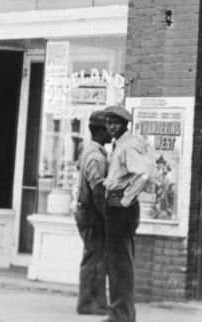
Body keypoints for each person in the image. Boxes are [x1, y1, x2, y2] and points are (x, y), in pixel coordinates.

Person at [101, 104, 152, 322]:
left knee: (120, 264)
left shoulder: (129, 145)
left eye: (116, 123)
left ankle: (121, 316)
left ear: (124, 124)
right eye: (109, 122)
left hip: (121, 209)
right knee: (116, 263)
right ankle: (119, 313)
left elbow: (142, 175)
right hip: (115, 206)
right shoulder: (120, 144)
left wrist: (125, 199)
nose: (111, 126)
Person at [75, 110, 111, 315]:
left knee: (94, 256)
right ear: (99, 130)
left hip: (86, 211)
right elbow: (98, 191)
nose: (111, 132)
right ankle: (89, 303)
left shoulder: (88, 150)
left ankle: (93, 301)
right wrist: (106, 216)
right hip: (92, 213)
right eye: (107, 128)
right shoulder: (96, 157)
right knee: (95, 258)